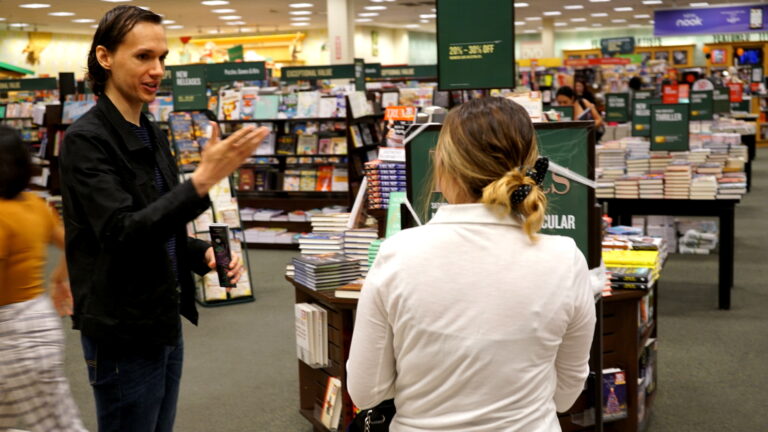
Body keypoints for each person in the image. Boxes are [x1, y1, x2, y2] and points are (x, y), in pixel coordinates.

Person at [59, 6, 269, 431]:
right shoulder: (87, 141)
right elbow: (122, 232)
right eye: (143, 57)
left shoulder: (151, 132)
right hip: (122, 331)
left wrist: (200, 252)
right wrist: (201, 182)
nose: (157, 70)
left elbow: (157, 225)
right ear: (105, 57)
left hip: (161, 317)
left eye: (162, 58)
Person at [347, 97, 596, 431]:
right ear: (527, 166)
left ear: (443, 167)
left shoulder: (397, 254)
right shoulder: (565, 258)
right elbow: (566, 394)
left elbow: (366, 391)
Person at [0, 126, 87, 432]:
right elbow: (76, 245)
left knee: (59, 426)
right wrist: (59, 278)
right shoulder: (35, 206)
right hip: (36, 323)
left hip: (14, 335)